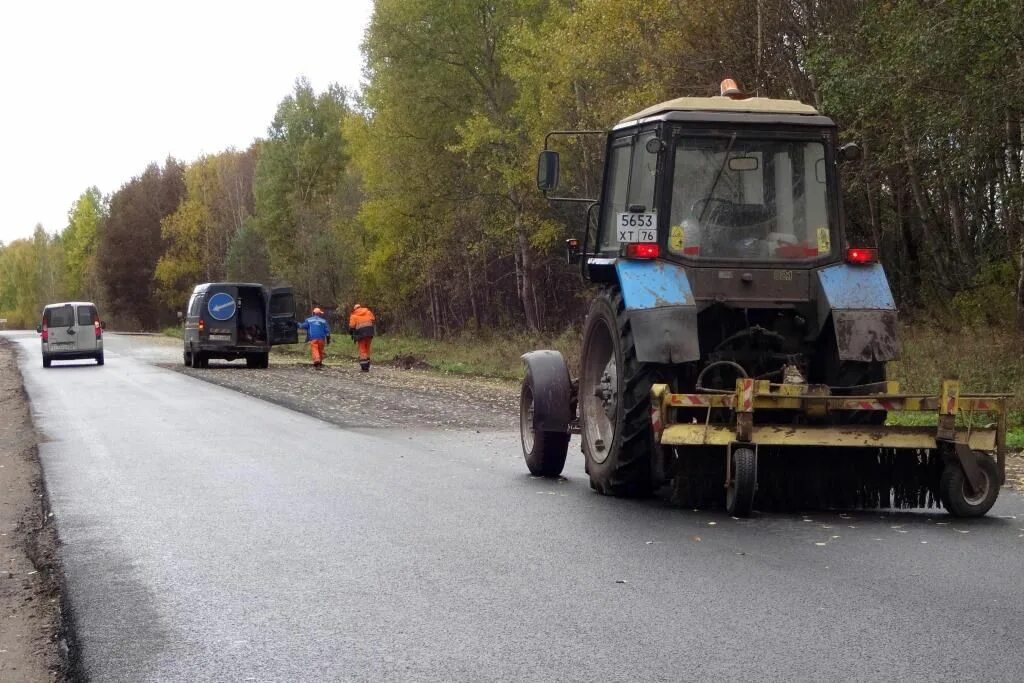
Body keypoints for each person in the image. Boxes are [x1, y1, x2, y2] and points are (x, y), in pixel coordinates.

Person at [348, 303, 376, 372]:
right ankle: (368, 364)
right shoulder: (368, 312)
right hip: (370, 332)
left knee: (362, 349)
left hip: (361, 334)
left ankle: (364, 367)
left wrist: (352, 333)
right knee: (367, 348)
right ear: (360, 307)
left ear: (355, 309)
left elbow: (352, 326)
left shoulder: (353, 315)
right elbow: (373, 319)